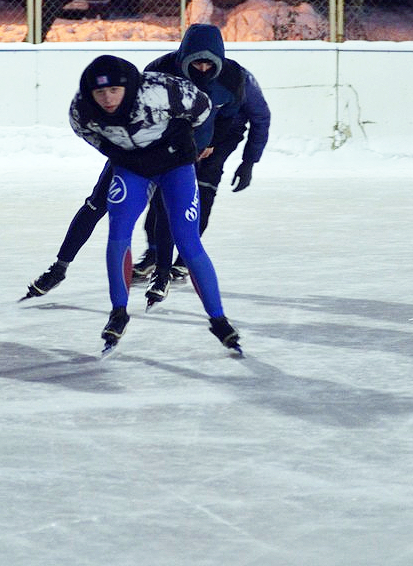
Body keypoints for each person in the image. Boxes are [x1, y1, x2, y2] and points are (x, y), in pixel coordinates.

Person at [69, 54, 241, 354]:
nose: (107, 99)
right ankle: (118, 312)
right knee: (118, 232)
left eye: (114, 90)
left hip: (175, 164)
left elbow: (202, 110)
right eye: (100, 93)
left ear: (129, 88)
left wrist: (191, 144)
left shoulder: (162, 91)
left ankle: (218, 319)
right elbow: (89, 135)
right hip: (133, 168)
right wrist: (121, 154)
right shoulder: (81, 111)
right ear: (89, 94)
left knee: (187, 240)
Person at [134, 24, 271, 307]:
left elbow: (260, 117)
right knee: (163, 197)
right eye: (197, 62)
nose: (204, 68)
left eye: (210, 63)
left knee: (201, 194)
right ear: (184, 57)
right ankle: (155, 252)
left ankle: (183, 259)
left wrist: (248, 162)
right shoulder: (159, 71)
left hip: (220, 136)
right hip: (174, 137)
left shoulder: (236, 78)